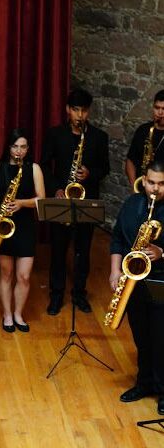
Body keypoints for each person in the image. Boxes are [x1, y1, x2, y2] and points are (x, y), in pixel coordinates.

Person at [41, 88, 109, 315]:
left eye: (84, 111)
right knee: (58, 252)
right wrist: (56, 189)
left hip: (86, 202)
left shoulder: (99, 137)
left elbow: (105, 168)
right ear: (67, 110)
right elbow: (44, 165)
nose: (80, 115)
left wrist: (90, 173)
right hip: (62, 200)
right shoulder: (55, 134)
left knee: (83, 252)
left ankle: (79, 293)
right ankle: (56, 295)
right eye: (76, 110)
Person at [110, 160, 164, 416]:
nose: (155, 189)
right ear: (144, 180)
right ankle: (144, 383)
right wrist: (114, 270)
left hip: (161, 281)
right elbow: (117, 238)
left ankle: (163, 390)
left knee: (161, 337)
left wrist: (161, 252)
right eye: (151, 182)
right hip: (133, 280)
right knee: (141, 335)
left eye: (161, 184)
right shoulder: (133, 203)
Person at [0, 129, 45, 332]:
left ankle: (18, 314)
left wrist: (21, 203)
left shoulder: (34, 169)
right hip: (2, 226)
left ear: (28, 148)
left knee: (24, 276)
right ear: (8, 147)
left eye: (23, 147)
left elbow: (41, 199)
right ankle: (7, 314)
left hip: (25, 226)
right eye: (15, 146)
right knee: (6, 274)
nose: (19, 151)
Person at [125, 89, 164, 189]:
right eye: (157, 108)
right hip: (142, 188)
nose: (160, 113)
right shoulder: (143, 130)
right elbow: (130, 161)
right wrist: (134, 187)